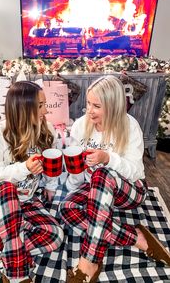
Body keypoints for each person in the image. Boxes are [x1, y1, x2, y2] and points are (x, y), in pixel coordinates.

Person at [59, 75, 170, 283]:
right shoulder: (81, 125)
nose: (89, 110)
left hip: (130, 190)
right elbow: (78, 169)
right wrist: (73, 178)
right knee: (66, 209)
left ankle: (89, 262)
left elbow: (136, 172)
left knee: (103, 173)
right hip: (95, 187)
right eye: (88, 103)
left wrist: (108, 158)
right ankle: (136, 237)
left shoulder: (130, 127)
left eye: (96, 106)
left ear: (112, 106)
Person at [0, 81, 64, 283]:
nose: (45, 110)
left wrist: (50, 185)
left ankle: (0, 245)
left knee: (55, 235)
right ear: (23, 107)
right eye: (40, 105)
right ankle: (17, 274)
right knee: (5, 188)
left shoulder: (46, 130)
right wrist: (24, 168)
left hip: (25, 201)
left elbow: (50, 163)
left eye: (44, 104)